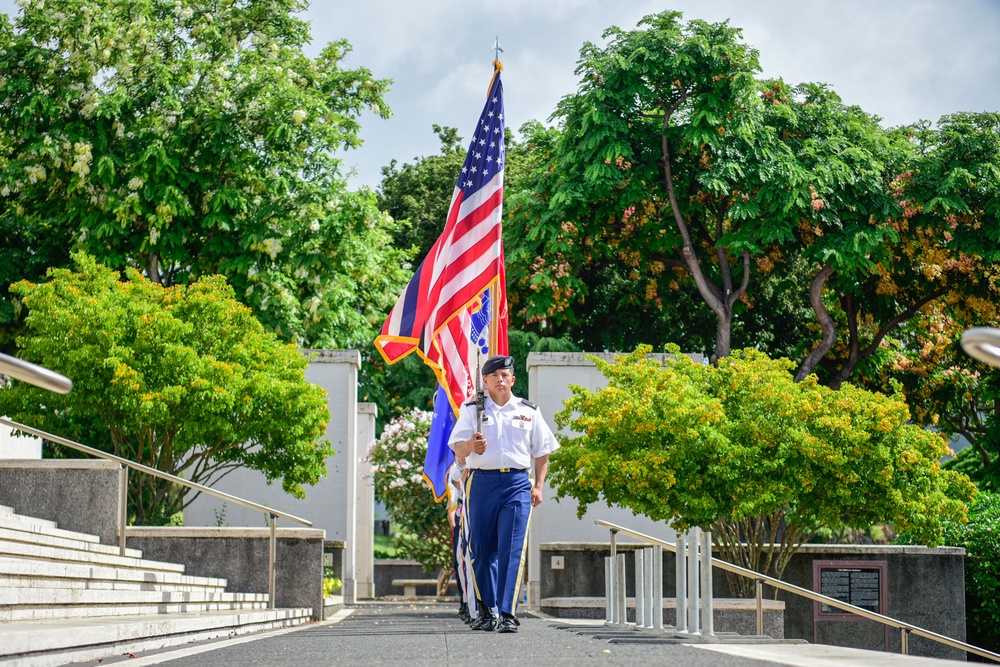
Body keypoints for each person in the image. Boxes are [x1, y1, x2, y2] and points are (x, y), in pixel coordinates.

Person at [449, 354, 559, 633]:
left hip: (517, 484)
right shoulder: (472, 410)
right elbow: (457, 449)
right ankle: (487, 610)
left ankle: (508, 612)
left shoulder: (528, 411)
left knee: (512, 550)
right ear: (484, 380)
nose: (500, 379)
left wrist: (539, 486)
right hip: (481, 483)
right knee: (482, 552)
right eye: (494, 375)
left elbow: (542, 452)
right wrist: (471, 446)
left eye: (504, 375)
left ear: (513, 379)